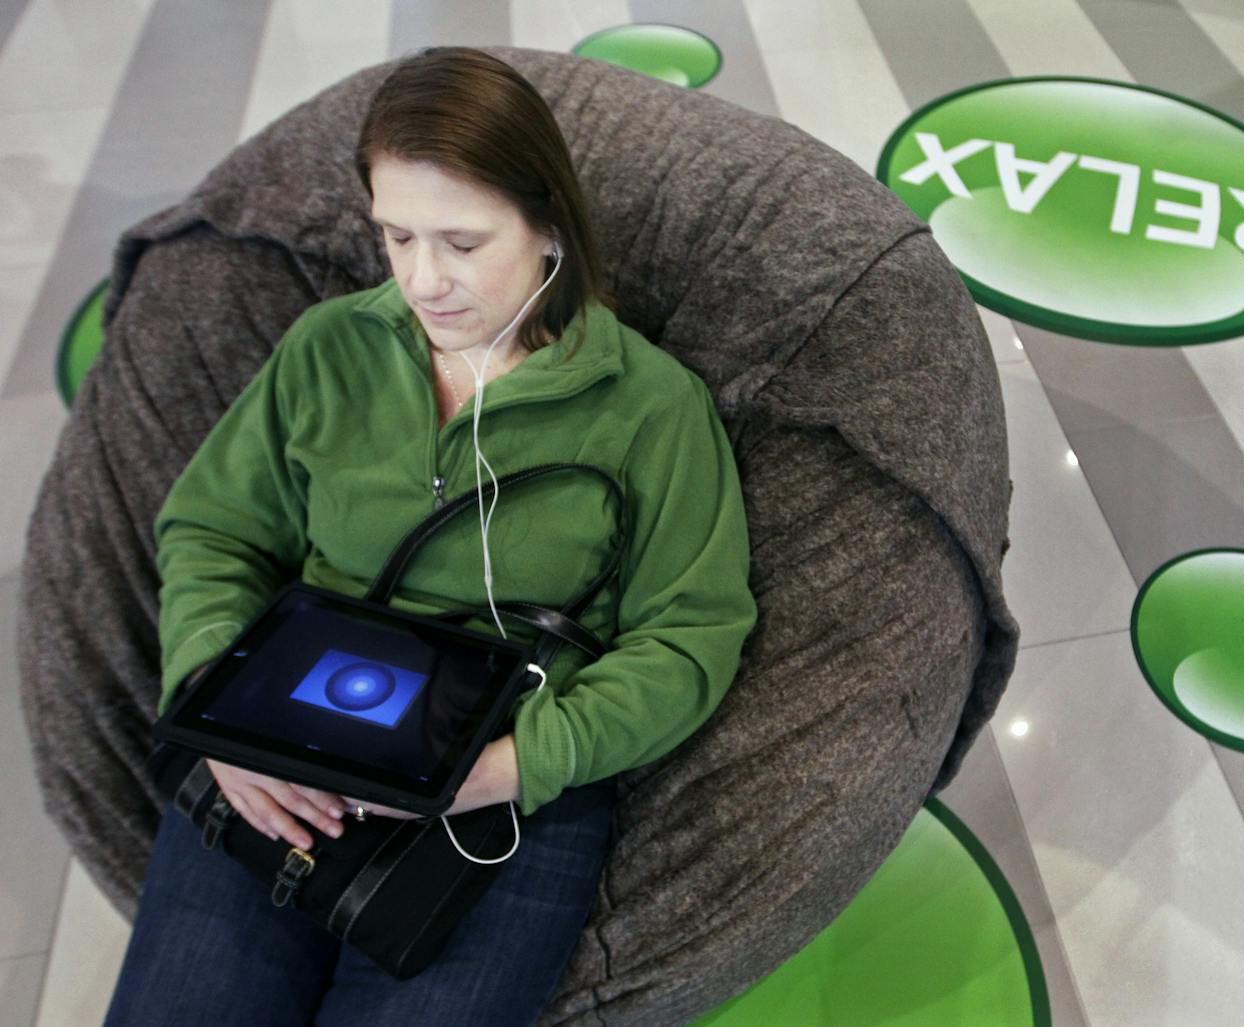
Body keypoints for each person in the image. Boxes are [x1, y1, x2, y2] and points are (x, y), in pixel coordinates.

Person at [105, 47, 756, 1026]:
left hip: (511, 784)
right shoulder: (328, 349)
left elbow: (691, 635)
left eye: (461, 240)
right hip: (289, 732)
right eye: (396, 237)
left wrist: (512, 767)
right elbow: (214, 531)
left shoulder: (652, 409)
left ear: (550, 229)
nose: (424, 280)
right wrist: (216, 707)